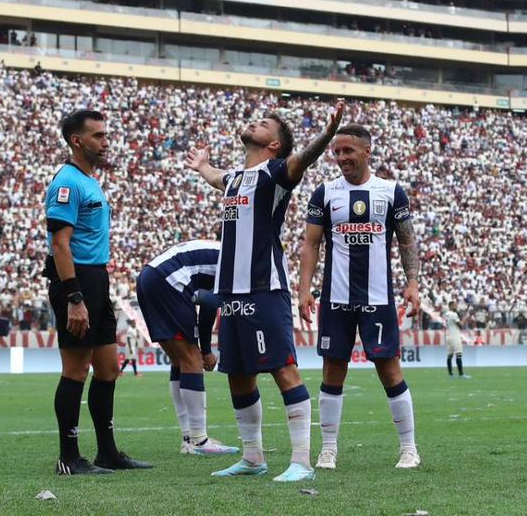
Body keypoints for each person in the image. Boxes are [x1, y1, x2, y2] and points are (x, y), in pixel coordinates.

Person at [185, 99, 345, 482]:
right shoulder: (236, 178)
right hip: (231, 291)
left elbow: (302, 160)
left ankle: (302, 462)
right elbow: (215, 177)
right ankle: (253, 458)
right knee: (239, 376)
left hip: (263, 288)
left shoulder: (276, 172)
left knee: (283, 369)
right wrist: (202, 165)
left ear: (275, 145)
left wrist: (326, 134)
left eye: (264, 124)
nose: (255, 122)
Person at [297, 123, 422, 471]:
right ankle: (329, 449)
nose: (341, 157)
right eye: (336, 152)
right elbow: (311, 243)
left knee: (389, 369)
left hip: (378, 298)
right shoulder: (324, 193)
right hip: (335, 299)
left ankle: (409, 448)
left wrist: (412, 283)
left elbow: (407, 241)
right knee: (332, 369)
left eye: (347, 151)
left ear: (367, 151)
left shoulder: (390, 192)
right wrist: (305, 289)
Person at [43, 110, 151, 475]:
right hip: (76, 282)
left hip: (97, 278)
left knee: (107, 370)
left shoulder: (90, 181)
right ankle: (69, 457)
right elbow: (60, 244)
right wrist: (74, 297)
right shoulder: (67, 182)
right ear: (78, 141)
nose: (106, 142)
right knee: (75, 371)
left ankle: (107, 452)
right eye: (99, 136)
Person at [135, 239, 239, 455]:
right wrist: (206, 351)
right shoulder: (236, 260)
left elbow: (209, 299)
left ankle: (189, 438)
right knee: (191, 358)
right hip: (170, 281)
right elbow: (211, 304)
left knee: (179, 360)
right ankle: (199, 441)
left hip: (149, 276)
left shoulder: (226, 251)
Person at [443, 302, 469, 379]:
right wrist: (465, 318)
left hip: (448, 336)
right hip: (455, 336)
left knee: (449, 355)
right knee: (458, 354)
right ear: (451, 306)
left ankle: (450, 374)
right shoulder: (453, 314)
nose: (456, 306)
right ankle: (461, 374)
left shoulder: (446, 314)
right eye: (455, 305)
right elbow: (460, 325)